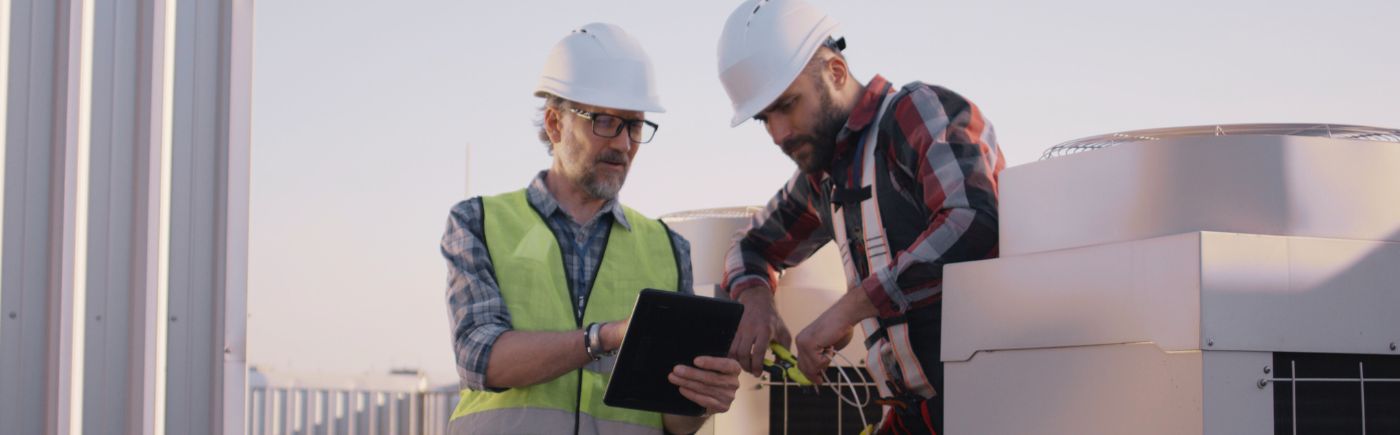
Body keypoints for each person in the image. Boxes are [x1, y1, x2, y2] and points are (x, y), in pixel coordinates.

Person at [715, 1, 1006, 433]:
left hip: (994, 407)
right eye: (764, 118)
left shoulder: (915, 112)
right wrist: (756, 302)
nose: (778, 134)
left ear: (834, 71)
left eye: (788, 105)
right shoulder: (821, 178)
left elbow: (974, 220)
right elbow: (750, 247)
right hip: (911, 417)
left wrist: (846, 310)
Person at [440, 23, 741, 435]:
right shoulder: (479, 222)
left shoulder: (669, 248)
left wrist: (702, 398)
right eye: (605, 121)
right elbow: (480, 357)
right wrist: (602, 337)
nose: (623, 144)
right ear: (554, 124)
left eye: (635, 126)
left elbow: (675, 420)